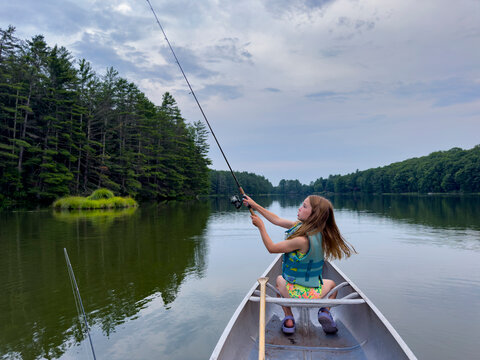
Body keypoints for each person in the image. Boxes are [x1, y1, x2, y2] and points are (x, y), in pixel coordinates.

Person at [243, 195, 356, 334]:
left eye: (304, 206)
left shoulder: (301, 240)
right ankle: (325, 312)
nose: (299, 208)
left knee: (279, 279)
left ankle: (289, 318)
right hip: (314, 295)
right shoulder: (319, 232)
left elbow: (271, 248)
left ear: (313, 215)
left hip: (293, 294)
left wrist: (261, 227)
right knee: (332, 285)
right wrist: (255, 205)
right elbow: (277, 220)